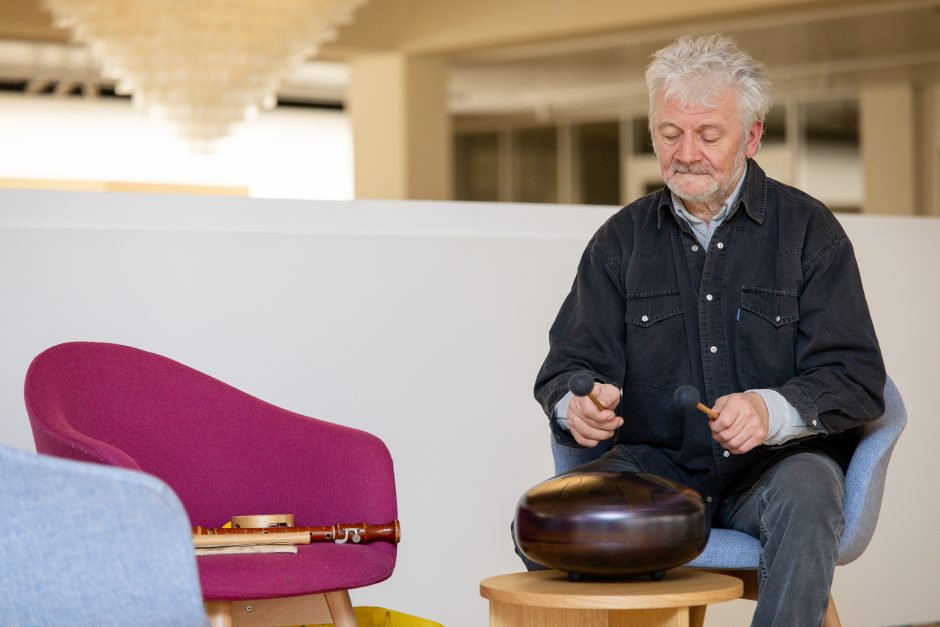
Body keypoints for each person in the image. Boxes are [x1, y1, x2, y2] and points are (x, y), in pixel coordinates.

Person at [528, 34, 886, 627]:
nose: (686, 153)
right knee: (541, 521)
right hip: (656, 472)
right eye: (670, 134)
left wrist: (770, 410)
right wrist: (577, 404)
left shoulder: (809, 234)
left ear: (752, 135)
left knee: (810, 489)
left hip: (776, 472)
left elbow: (856, 378)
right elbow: (568, 364)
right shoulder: (621, 242)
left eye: (708, 135)